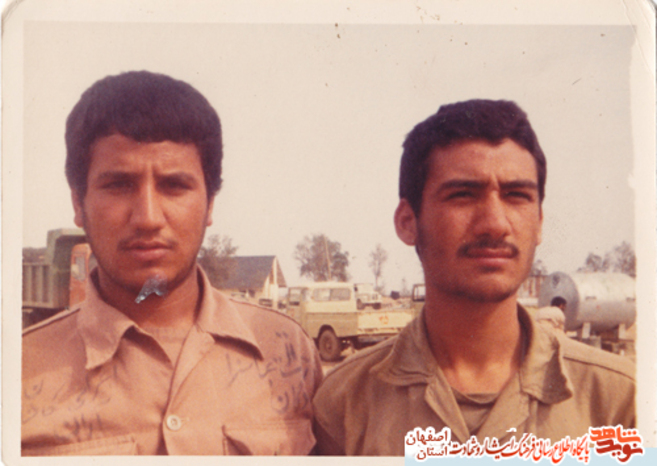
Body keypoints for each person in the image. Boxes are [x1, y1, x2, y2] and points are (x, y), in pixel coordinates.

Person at [22, 71, 322, 456]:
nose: (148, 217)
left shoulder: (288, 350)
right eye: (118, 185)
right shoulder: (17, 370)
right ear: (78, 203)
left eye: (174, 186)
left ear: (210, 204)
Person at [312, 99, 635, 455]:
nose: (495, 223)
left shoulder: (619, 402)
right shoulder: (345, 404)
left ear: (540, 222)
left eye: (516, 196)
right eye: (463, 195)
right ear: (408, 222)